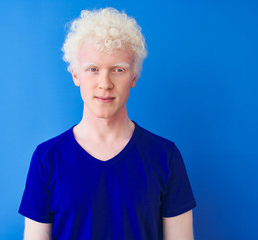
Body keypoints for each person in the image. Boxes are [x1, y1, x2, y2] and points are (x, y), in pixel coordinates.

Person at [19, 7, 196, 240]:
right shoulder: (47, 158)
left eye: (118, 70)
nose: (105, 83)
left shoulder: (166, 156)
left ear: (134, 76)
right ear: (75, 75)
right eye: (93, 69)